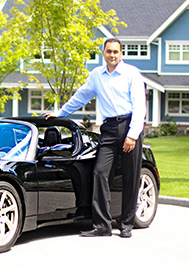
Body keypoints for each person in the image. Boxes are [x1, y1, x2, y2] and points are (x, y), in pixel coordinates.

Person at [45, 38, 146, 238]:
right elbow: (81, 96)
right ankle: (102, 225)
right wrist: (60, 113)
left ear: (121, 53)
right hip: (108, 129)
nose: (113, 55)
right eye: (109, 51)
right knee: (100, 172)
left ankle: (126, 224)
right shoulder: (96, 76)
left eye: (116, 52)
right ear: (103, 53)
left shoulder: (131, 73)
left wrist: (132, 135)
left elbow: (139, 106)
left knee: (130, 178)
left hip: (129, 126)